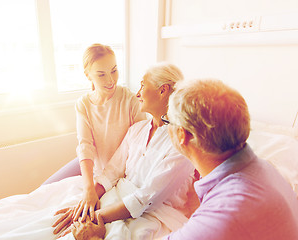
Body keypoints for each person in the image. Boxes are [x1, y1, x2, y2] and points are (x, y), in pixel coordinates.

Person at [71, 78, 298, 240]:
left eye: (169, 122)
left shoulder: (221, 216)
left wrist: (94, 238)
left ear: (182, 135)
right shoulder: (264, 168)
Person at [52, 63, 196, 239]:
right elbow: (112, 172)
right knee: (54, 220)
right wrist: (87, 200)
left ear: (162, 90)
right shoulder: (137, 129)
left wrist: (95, 217)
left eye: (143, 85)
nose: (138, 93)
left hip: (151, 215)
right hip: (116, 197)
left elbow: (146, 198)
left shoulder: (182, 143)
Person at [42, 43, 146, 222]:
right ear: (87, 75)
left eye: (114, 70)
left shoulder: (130, 100)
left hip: (120, 171)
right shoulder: (83, 104)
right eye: (101, 74)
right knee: (45, 189)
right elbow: (85, 146)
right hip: (96, 164)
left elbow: (140, 146)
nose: (111, 80)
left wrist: (99, 189)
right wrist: (89, 188)